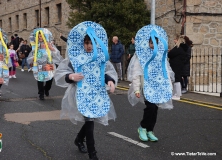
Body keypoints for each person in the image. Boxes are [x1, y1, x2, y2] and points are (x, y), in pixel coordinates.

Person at [54, 21, 117, 160]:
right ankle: (93, 155)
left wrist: (110, 81)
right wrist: (71, 76)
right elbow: (62, 73)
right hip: (80, 93)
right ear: (82, 43)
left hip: (96, 93)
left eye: (92, 43)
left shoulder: (99, 57)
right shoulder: (75, 58)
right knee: (89, 122)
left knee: (91, 119)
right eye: (86, 43)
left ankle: (78, 139)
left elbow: (101, 72)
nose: (89, 46)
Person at [127, 25, 174, 142]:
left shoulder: (160, 56)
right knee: (151, 107)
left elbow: (165, 71)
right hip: (146, 86)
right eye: (151, 42)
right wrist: (136, 89)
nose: (153, 45)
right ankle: (142, 127)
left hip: (158, 86)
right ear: (147, 43)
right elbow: (136, 73)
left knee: (155, 109)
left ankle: (150, 130)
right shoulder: (141, 56)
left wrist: (169, 86)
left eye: (155, 42)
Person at [27, 28, 63, 100]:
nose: (40, 38)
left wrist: (52, 49)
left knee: (50, 80)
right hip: (39, 65)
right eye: (39, 36)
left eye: (41, 36)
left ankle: (46, 89)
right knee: (40, 79)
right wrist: (32, 60)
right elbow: (31, 55)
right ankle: (41, 93)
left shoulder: (49, 44)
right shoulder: (36, 46)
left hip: (49, 64)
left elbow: (57, 55)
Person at [168, 34, 188, 100]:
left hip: (176, 66)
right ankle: (176, 94)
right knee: (176, 80)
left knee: (176, 80)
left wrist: (169, 52)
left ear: (177, 40)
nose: (174, 40)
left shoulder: (177, 48)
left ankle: (177, 95)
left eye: (175, 39)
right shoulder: (182, 48)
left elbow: (170, 54)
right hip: (178, 65)